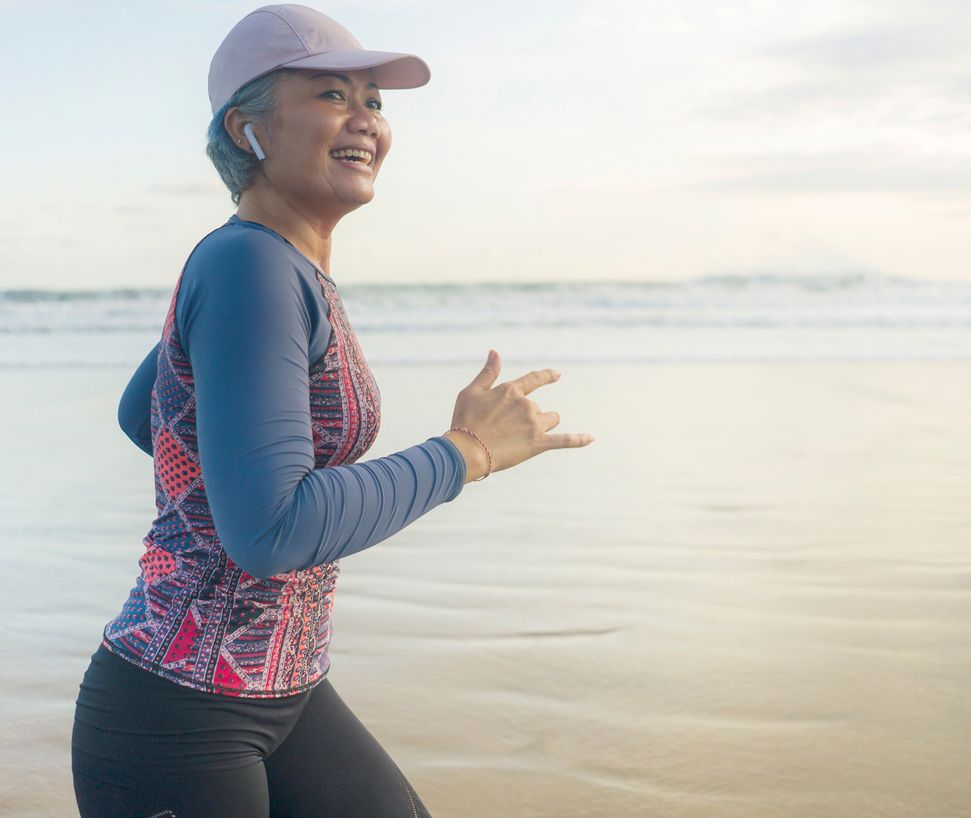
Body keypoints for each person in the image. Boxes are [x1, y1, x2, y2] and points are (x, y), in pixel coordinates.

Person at [70, 5, 595, 816]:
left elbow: (148, 412)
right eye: (330, 95)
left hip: (287, 691)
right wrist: (466, 452)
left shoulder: (273, 263)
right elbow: (271, 531)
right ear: (249, 131)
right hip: (176, 719)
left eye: (374, 103)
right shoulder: (250, 264)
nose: (366, 122)